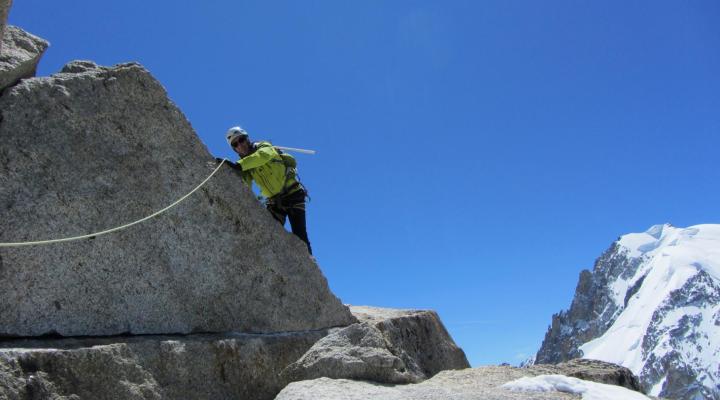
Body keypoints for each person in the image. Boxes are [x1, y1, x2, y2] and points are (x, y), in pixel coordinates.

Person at [223, 126, 312, 254]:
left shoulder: (264, 147)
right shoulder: (244, 165)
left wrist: (239, 165)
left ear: (247, 139)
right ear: (234, 148)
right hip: (275, 202)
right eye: (235, 144)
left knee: (300, 235)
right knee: (268, 232)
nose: (240, 145)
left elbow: (262, 156)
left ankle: (309, 268)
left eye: (241, 140)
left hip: (293, 195)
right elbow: (244, 184)